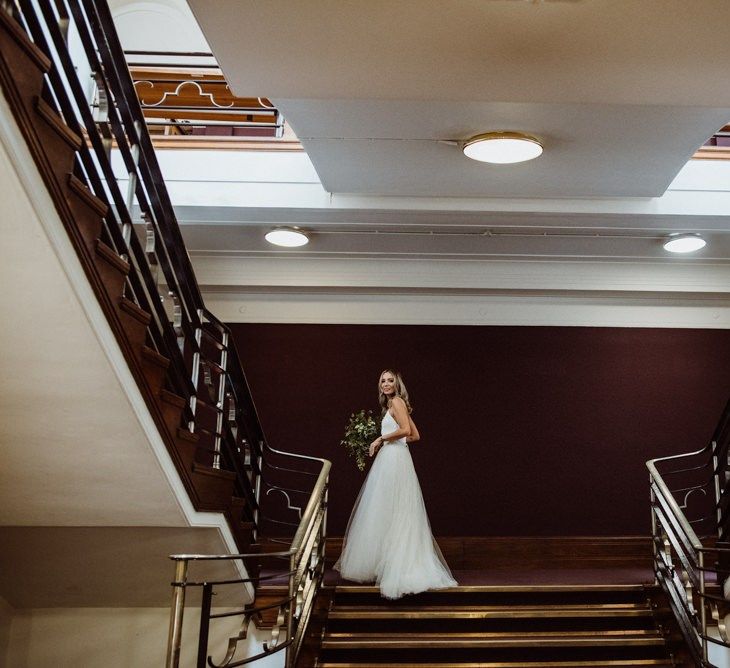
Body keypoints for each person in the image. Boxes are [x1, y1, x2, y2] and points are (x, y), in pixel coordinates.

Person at [334, 369, 457, 599]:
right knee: (387, 511)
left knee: (393, 510)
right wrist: (393, 440)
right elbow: (414, 436)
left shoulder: (398, 402)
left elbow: (407, 431)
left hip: (395, 461)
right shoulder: (391, 405)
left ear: (397, 384)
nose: (386, 383)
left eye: (390, 380)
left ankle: (399, 566)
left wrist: (382, 439)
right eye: (383, 380)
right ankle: (385, 563)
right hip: (394, 458)